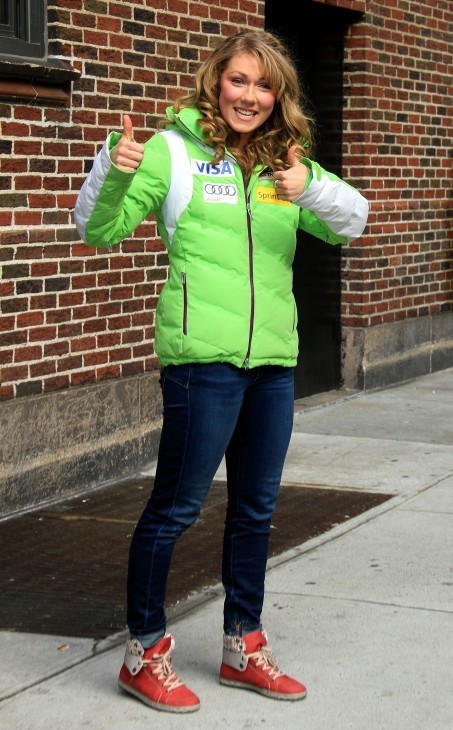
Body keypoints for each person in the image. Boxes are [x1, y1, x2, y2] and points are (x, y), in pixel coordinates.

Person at [74, 29, 369, 714]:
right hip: (200, 364)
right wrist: (111, 168)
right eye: (238, 80)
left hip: (271, 364)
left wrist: (307, 187)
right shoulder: (170, 152)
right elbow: (98, 229)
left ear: (278, 97)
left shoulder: (281, 164)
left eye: (264, 85)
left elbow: (351, 222)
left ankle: (243, 647)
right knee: (175, 509)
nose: (249, 95)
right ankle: (142, 653)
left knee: (256, 511)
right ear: (216, 81)